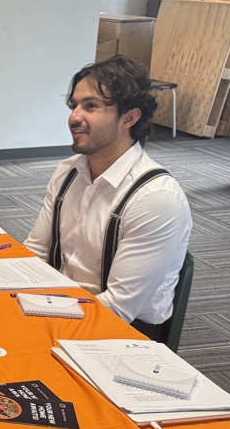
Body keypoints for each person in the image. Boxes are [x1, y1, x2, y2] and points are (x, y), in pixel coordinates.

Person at [23, 56, 192, 338]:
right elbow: (37, 251)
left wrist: (37, 326)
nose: (74, 117)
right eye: (74, 105)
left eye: (91, 106)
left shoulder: (156, 199)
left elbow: (117, 309)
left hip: (122, 332)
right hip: (59, 305)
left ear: (129, 117)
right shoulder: (68, 172)